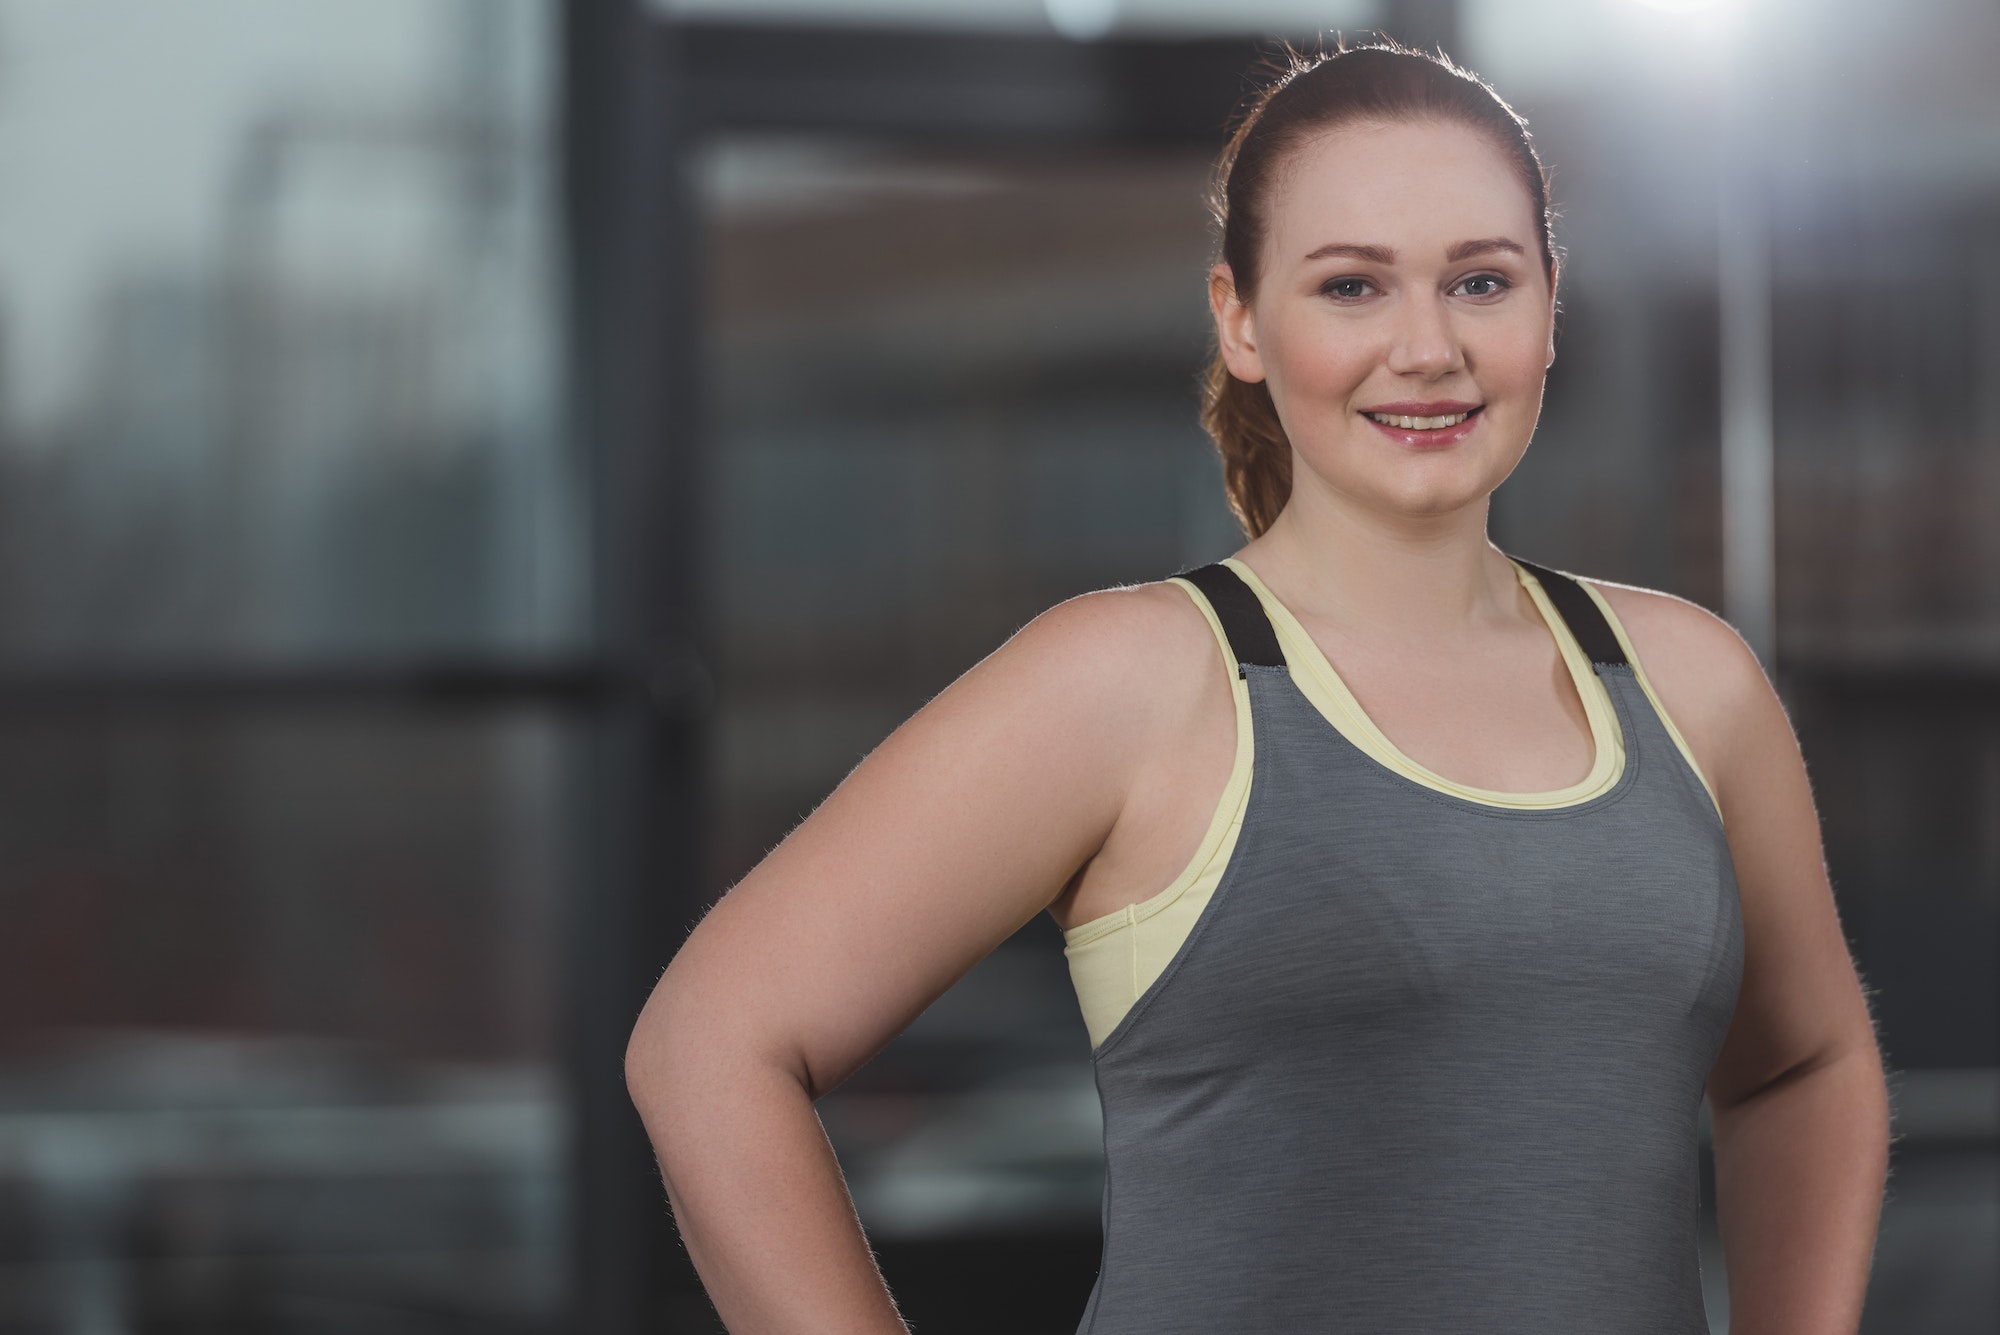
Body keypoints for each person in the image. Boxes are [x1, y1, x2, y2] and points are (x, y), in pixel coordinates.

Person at [625, 41, 1888, 1334]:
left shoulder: (1693, 683)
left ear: (1549, 304)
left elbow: (1804, 1065)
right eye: (1352, 285)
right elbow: (709, 1045)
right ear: (1239, 318)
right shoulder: (1134, 681)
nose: (1428, 345)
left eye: (1482, 280)